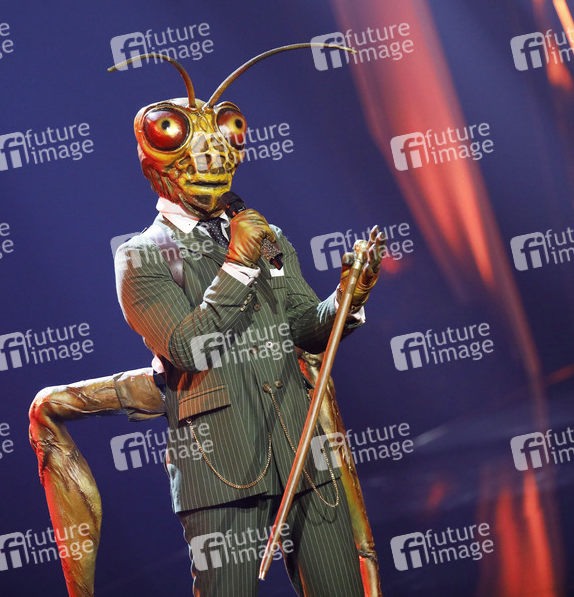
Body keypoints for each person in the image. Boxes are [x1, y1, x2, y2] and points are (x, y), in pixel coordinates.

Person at [115, 92, 383, 596]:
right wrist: (238, 262)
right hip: (221, 468)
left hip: (303, 454)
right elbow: (188, 348)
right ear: (157, 166)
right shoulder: (140, 256)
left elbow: (305, 329)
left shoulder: (266, 234)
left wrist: (349, 295)